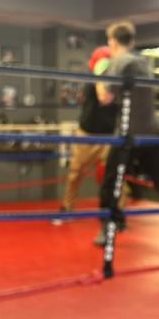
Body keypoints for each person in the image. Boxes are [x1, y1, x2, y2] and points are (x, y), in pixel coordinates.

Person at [94, 21, 159, 256]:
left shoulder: (118, 62)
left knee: (111, 182)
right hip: (152, 132)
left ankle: (106, 232)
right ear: (131, 40)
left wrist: (99, 72)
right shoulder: (144, 62)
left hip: (128, 134)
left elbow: (104, 98)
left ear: (112, 41)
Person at [53, 46, 122, 224]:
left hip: (108, 136)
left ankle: (116, 212)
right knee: (75, 174)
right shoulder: (94, 81)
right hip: (87, 135)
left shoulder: (117, 83)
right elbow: (100, 97)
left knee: (113, 175)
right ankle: (67, 209)